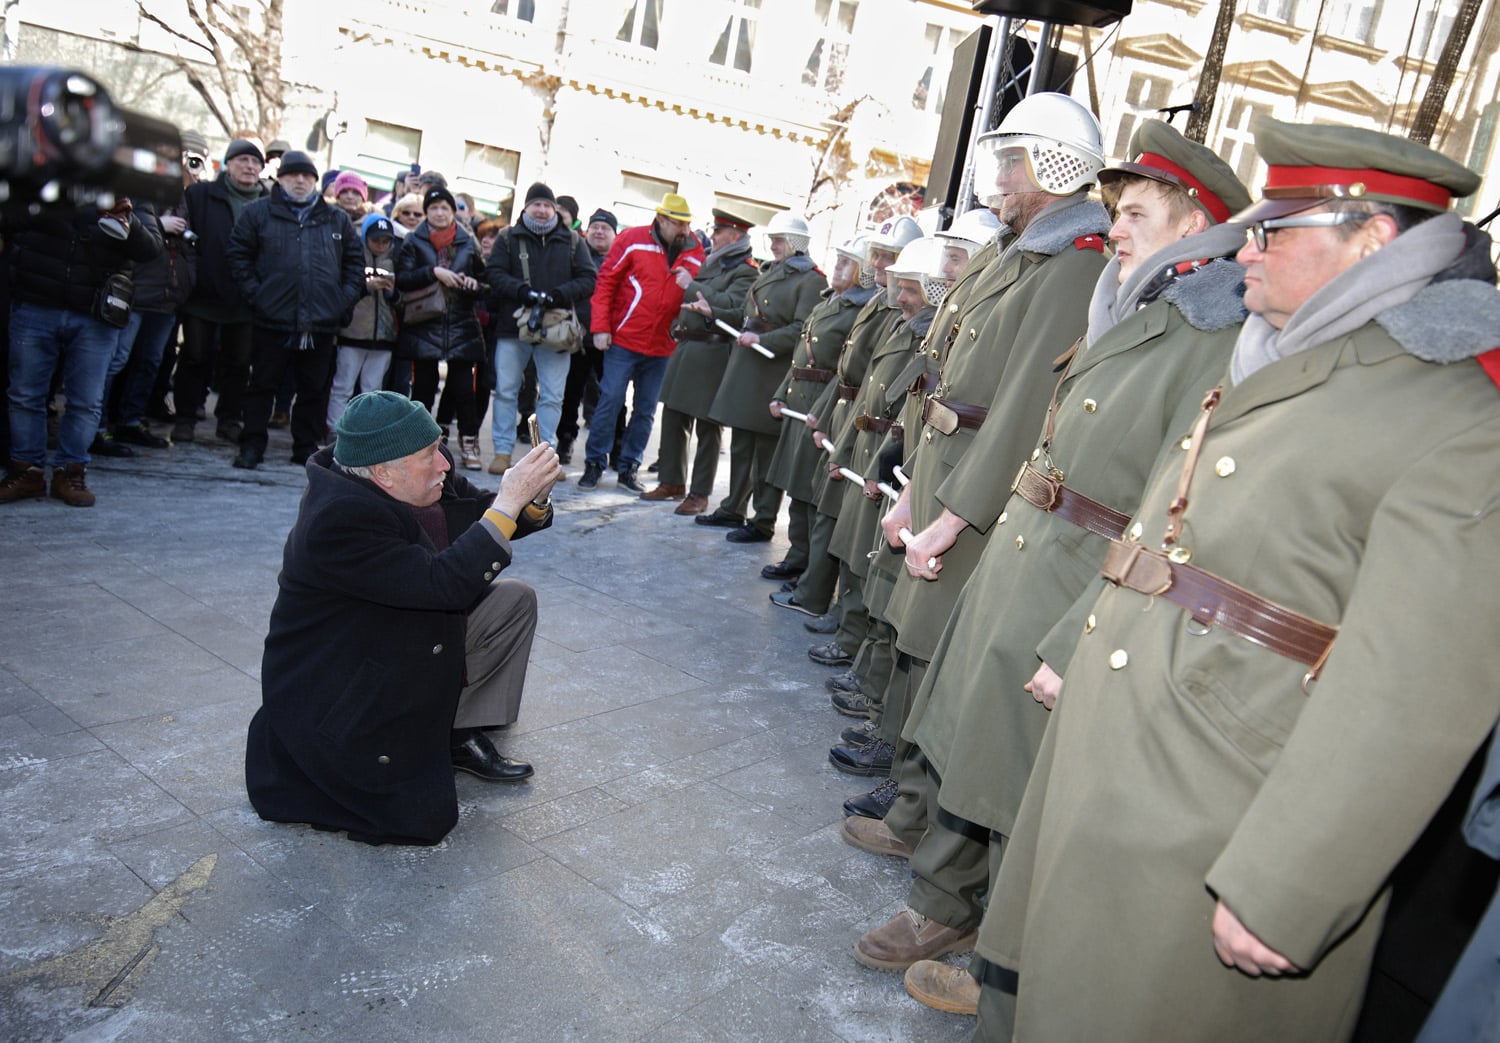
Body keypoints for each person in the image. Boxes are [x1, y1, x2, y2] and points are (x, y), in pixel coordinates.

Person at [974, 116, 1500, 1042]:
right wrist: (1076, 651)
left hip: (1225, 794)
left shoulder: (1455, 412)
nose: (1245, 249)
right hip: (1126, 740)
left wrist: (1291, 884)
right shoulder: (1281, 350)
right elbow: (1163, 530)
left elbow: (1416, 687)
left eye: (1276, 231)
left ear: (1371, 239)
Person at [857, 121, 1251, 1017]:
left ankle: (1000, 963)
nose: (1117, 226)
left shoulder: (1212, 336)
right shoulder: (1134, 302)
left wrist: (1079, 635)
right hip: (1032, 547)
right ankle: (949, 907)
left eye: (1138, 213)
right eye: (1118, 209)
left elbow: (1169, 506)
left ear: (1195, 225)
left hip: (1082, 570)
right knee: (977, 745)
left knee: (1024, 780)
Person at [245, 390, 563, 845]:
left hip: (394, 638)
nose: (445, 464)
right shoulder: (338, 520)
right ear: (383, 473)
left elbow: (481, 513)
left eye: (437, 448)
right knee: (419, 816)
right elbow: (443, 584)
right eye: (430, 455)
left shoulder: (414, 469)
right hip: (345, 683)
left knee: (511, 602)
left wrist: (531, 500)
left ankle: (456, 732)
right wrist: (508, 502)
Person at [0, 199, 162, 507]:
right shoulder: (44, 180)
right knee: (24, 395)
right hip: (36, 299)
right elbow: (9, 220)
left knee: (86, 401)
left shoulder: (129, 185)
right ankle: (26, 472)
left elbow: (151, 249)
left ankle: (71, 472)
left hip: (95, 312)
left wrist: (127, 219)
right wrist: (48, 199)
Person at [226, 150, 364, 469]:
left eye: (306, 176)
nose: (300, 181)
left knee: (313, 389)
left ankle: (305, 447)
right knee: (262, 385)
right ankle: (252, 445)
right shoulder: (257, 212)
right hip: (271, 318)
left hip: (320, 321)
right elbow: (238, 255)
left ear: (315, 181)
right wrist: (258, 295)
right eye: (292, 175)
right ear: (281, 179)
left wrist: (340, 301)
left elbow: (354, 265)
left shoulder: (337, 219)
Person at [762, 238, 879, 606]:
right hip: (802, 401)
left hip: (823, 404)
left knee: (814, 495)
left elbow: (845, 371)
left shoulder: (858, 310)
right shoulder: (828, 301)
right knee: (797, 486)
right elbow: (801, 355)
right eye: (838, 260)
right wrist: (781, 392)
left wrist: (824, 411)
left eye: (848, 262)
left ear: (863, 271)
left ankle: (810, 571)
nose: (838, 267)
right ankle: (798, 558)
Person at [696, 210, 823, 536]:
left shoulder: (811, 280)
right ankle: (733, 508)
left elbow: (803, 330)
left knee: (767, 450)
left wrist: (763, 340)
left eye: (780, 240)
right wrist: (713, 312)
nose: (774, 246)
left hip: (772, 370)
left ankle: (763, 519)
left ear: (796, 242)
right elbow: (746, 315)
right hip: (750, 366)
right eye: (773, 240)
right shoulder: (770, 271)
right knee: (741, 444)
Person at [581, 192, 705, 491]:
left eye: (687, 223)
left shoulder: (695, 252)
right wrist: (601, 327)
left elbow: (699, 293)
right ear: (661, 220)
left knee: (646, 410)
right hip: (624, 339)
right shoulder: (632, 239)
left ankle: (629, 467)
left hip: (663, 345)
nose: (685, 230)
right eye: (678, 223)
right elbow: (606, 282)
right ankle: (594, 463)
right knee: (610, 400)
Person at [643, 207, 758, 511]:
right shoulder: (711, 260)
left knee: (708, 426)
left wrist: (691, 286)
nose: (713, 236)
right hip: (688, 346)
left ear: (735, 236)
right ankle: (671, 481)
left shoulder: (745, 271)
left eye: (719, 231)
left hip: (713, 352)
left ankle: (700, 493)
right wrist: (677, 323)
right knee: (673, 417)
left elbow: (735, 309)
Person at [485, 182, 597, 476]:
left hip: (557, 328)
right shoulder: (508, 237)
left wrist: (558, 295)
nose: (543, 210)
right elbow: (494, 273)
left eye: (548, 205)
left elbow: (588, 278)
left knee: (552, 396)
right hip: (513, 326)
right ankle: (502, 452)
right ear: (526, 207)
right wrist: (522, 292)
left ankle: (545, 458)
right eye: (537, 204)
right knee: (506, 391)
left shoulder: (572, 241)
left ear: (555, 209)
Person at [172, 138, 269, 445]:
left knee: (239, 364)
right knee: (194, 357)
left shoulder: (269, 202)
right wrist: (194, 274)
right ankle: (185, 418)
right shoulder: (201, 194)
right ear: (228, 164)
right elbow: (185, 236)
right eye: (243, 160)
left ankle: (229, 419)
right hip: (203, 294)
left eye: (255, 162)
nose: (249, 166)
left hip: (246, 299)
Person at [393, 186, 488, 469]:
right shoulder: (414, 240)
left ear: (452, 212)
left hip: (461, 322)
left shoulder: (468, 242)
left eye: (444, 208)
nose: (439, 213)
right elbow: (402, 279)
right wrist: (433, 272)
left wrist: (473, 285)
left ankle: (469, 442)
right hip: (424, 320)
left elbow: (486, 282)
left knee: (463, 389)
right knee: (423, 387)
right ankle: (418, 443)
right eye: (433, 208)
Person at [556, 207, 618, 464]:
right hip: (577, 336)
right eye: (595, 227)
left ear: (615, 234)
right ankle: (565, 441)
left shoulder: (621, 259)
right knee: (570, 393)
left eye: (605, 228)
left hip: (610, 340)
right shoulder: (576, 255)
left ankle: (616, 446)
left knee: (613, 396)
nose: (599, 232)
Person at [326, 215, 400, 431]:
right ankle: (335, 429)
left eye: (386, 241)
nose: (381, 245)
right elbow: (343, 291)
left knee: (372, 390)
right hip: (353, 332)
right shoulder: (353, 258)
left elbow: (403, 298)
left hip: (384, 335)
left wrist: (392, 293)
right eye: (376, 240)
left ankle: (366, 433)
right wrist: (365, 288)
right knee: (343, 386)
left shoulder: (395, 259)